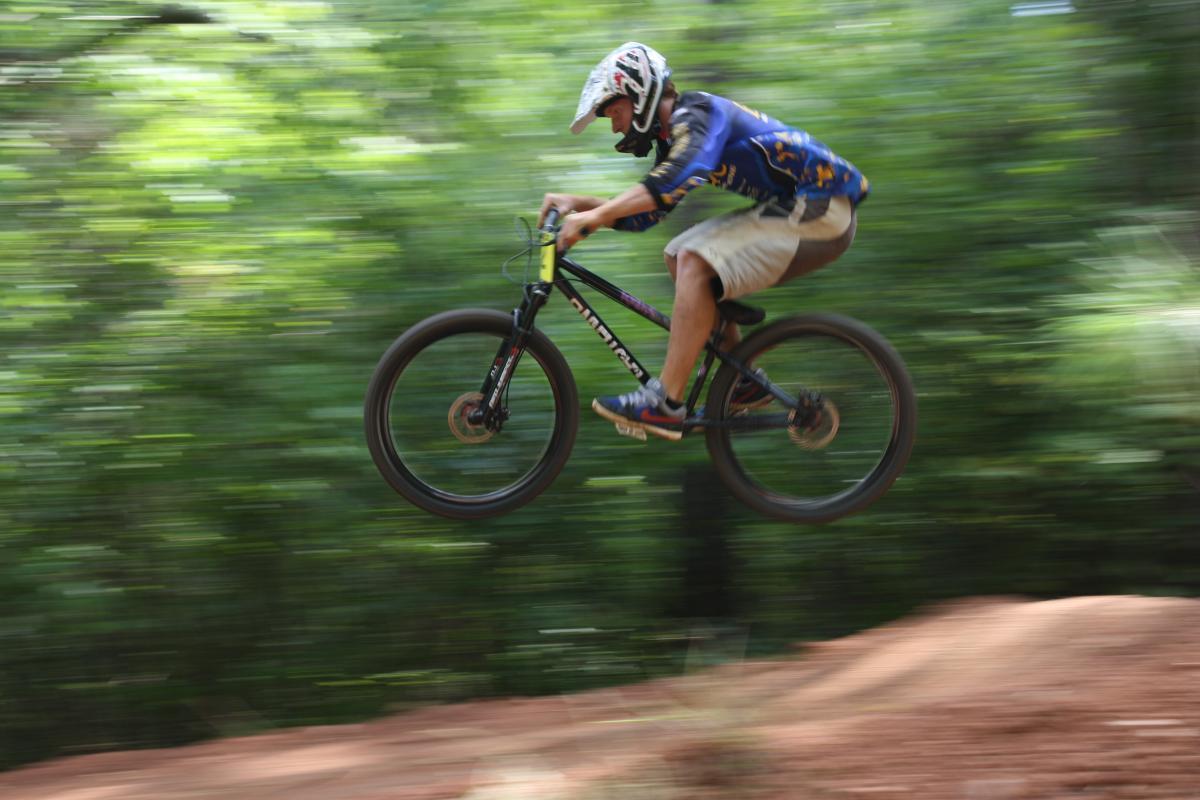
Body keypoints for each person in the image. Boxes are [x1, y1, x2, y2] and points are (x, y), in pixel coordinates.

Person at [539, 42, 868, 441]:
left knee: (695, 258)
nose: (615, 127)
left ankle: (666, 403)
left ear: (639, 92)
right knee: (679, 256)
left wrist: (592, 216)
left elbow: (678, 175)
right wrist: (581, 206)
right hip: (801, 208)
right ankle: (741, 379)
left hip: (823, 207)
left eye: (615, 112)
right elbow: (647, 211)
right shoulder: (680, 131)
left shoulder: (698, 113)